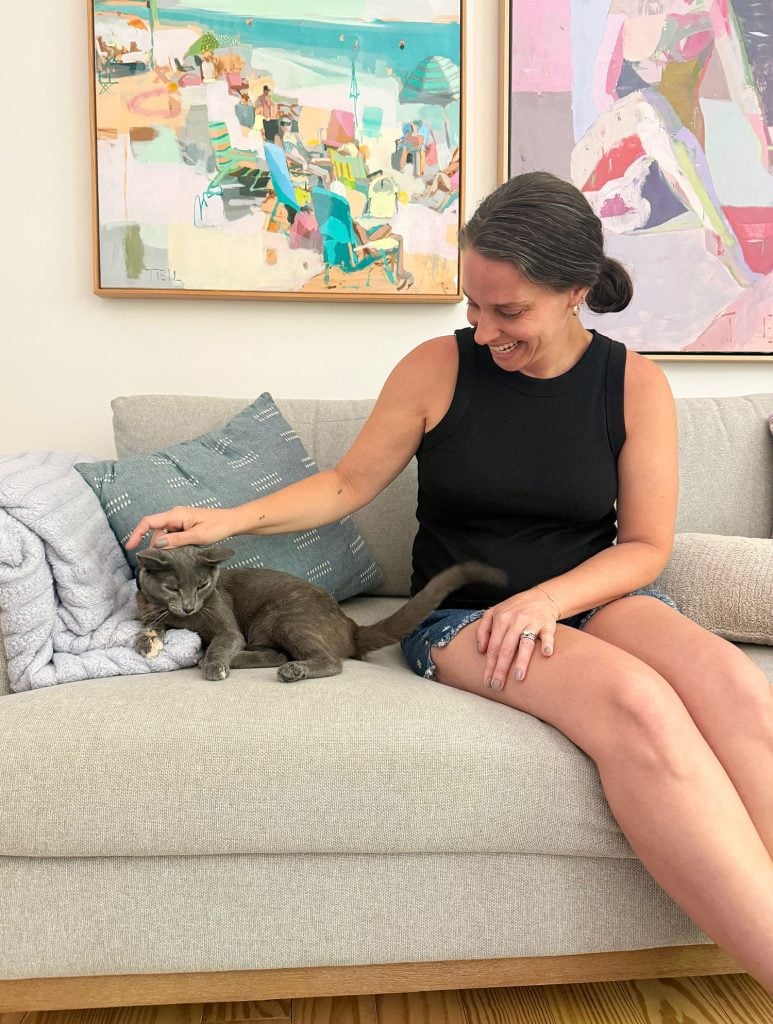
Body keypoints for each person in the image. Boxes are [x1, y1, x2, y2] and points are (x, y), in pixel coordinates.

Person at [125, 171, 773, 993]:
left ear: (574, 291)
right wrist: (225, 519)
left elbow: (644, 547)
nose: (484, 329)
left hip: (597, 597)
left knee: (737, 688)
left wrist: (549, 599)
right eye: (472, 305)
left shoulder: (633, 384)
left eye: (509, 313)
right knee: (639, 707)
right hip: (462, 617)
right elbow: (344, 485)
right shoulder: (437, 368)